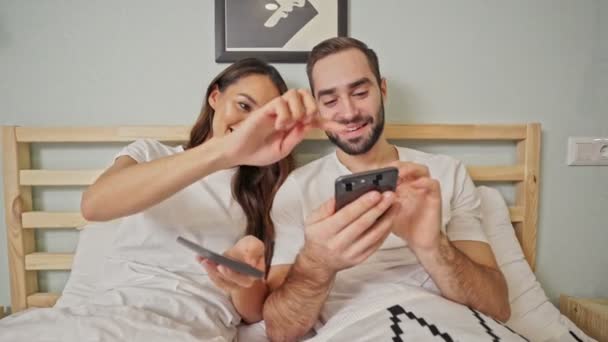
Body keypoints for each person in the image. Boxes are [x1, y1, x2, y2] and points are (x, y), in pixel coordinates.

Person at [262, 37, 511, 341]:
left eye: (360, 92)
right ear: (317, 107)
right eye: (330, 101)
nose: (349, 111)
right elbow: (279, 330)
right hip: (357, 327)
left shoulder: (447, 173)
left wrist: (431, 246)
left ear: (382, 90)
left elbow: (497, 307)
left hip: (446, 324)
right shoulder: (297, 189)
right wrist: (318, 262)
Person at [80, 58, 318, 340]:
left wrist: (241, 279)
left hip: (193, 323)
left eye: (262, 117)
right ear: (215, 97)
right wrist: (223, 153)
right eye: (243, 106)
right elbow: (94, 206)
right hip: (110, 312)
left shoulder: (269, 191)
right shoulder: (149, 154)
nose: (248, 123)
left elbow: (253, 314)